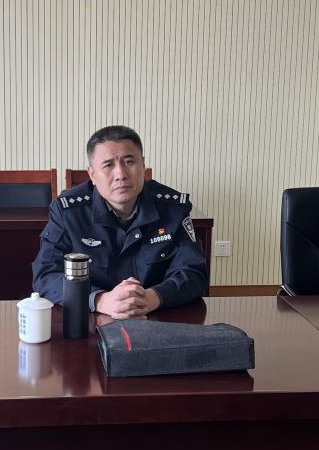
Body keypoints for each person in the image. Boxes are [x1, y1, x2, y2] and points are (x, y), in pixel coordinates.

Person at [32, 125, 208, 319]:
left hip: (157, 318)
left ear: (143, 165)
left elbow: (194, 272)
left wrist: (154, 297)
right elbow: (46, 274)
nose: (121, 174)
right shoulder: (68, 213)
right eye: (108, 165)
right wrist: (98, 299)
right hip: (92, 320)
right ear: (92, 175)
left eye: (129, 161)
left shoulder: (173, 209)